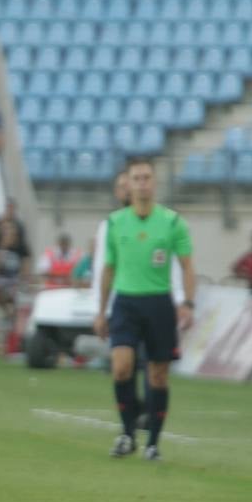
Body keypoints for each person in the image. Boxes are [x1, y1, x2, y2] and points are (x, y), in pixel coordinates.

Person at [93, 157, 195, 461]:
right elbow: (108, 270)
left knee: (158, 376)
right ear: (129, 183)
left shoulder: (172, 222)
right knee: (122, 367)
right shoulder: (115, 222)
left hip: (158, 303)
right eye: (136, 178)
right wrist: (101, 311)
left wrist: (187, 302)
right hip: (125, 302)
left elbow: (188, 266)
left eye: (147, 177)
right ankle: (126, 434)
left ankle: (153, 443)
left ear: (154, 182)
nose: (142, 183)